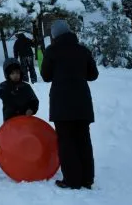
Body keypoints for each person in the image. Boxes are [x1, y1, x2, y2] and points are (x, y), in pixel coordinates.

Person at [41, 19, 99, 190]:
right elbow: (93, 74)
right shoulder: (83, 51)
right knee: (83, 140)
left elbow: (46, 76)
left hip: (62, 103)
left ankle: (72, 180)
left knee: (66, 142)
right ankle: (87, 179)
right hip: (82, 102)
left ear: (55, 36)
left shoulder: (52, 51)